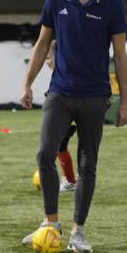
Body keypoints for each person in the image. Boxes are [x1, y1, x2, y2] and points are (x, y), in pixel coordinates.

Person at [20, 0, 127, 253]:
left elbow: (120, 56)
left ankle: (78, 231)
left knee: (88, 164)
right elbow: (42, 45)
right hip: (60, 91)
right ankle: (50, 223)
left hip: (96, 96)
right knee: (44, 154)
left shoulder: (112, 5)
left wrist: (124, 102)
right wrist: (27, 84)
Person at [45, 39, 78, 192]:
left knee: (59, 145)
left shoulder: (63, 70)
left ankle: (71, 181)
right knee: (61, 145)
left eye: (47, 57)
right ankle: (72, 180)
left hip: (70, 109)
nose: (45, 61)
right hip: (76, 106)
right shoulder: (64, 69)